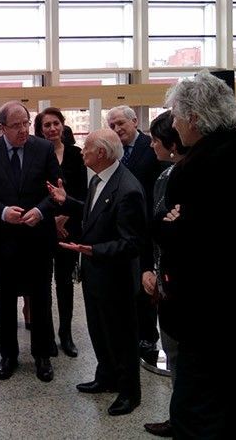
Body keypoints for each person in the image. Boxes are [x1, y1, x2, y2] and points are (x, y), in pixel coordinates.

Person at [159, 70, 236, 438]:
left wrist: (166, 224)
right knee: (228, 401)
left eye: (177, 115)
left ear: (194, 117)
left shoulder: (199, 167)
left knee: (197, 411)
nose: (173, 124)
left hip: (204, 315)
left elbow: (185, 239)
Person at [48, 129, 147, 417]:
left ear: (102, 153)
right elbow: (93, 213)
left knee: (122, 336)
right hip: (95, 274)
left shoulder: (127, 189)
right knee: (100, 330)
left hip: (115, 277)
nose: (83, 152)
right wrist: (66, 200)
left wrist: (95, 251)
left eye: (88, 148)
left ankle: (130, 392)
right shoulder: (99, 180)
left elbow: (133, 242)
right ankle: (106, 377)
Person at [0, 101, 61, 383]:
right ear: (2, 128)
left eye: (26, 123)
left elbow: (56, 192)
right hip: (4, 239)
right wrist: (1, 211)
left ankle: (41, 355)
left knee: (40, 297)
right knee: (4, 298)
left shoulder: (43, 149)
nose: (23, 130)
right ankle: (8, 355)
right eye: (16, 126)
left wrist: (40, 210)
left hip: (38, 237)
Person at [141, 110, 189, 438]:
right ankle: (179, 415)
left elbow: (168, 228)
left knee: (183, 357)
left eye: (156, 141)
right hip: (163, 276)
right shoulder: (164, 175)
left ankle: (185, 418)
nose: (152, 147)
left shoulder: (180, 177)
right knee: (173, 353)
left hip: (180, 281)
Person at [107, 105, 164, 364]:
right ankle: (131, 334)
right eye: (113, 126)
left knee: (147, 281)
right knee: (129, 282)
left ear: (134, 121)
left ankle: (148, 337)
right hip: (125, 227)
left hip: (150, 225)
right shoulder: (115, 153)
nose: (118, 129)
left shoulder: (152, 147)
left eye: (121, 123)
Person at [34, 107, 87, 357]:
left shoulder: (77, 155)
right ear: (40, 129)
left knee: (65, 283)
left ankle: (65, 334)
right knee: (42, 283)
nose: (52, 129)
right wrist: (51, 221)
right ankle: (46, 336)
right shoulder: (35, 155)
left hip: (69, 228)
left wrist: (63, 219)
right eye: (47, 125)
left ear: (63, 126)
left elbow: (82, 192)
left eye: (56, 123)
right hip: (44, 227)